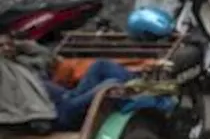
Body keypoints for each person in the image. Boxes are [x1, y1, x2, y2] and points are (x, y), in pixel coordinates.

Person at [0, 35, 136, 131]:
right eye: (1, 46)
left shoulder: (23, 63)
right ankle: (135, 99)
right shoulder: (5, 72)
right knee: (111, 83)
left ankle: (139, 89)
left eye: (9, 45)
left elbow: (48, 58)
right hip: (56, 114)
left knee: (101, 65)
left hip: (68, 98)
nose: (6, 48)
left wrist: (20, 45)